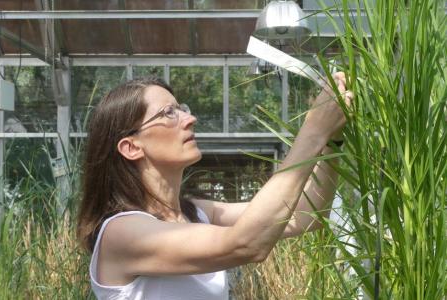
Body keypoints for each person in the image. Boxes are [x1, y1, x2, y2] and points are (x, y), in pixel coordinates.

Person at [77, 72, 353, 300]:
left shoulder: (197, 213)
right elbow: (246, 243)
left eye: (182, 108)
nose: (190, 118)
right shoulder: (121, 232)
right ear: (131, 147)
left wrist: (331, 141)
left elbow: (306, 216)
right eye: (168, 113)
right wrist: (314, 130)